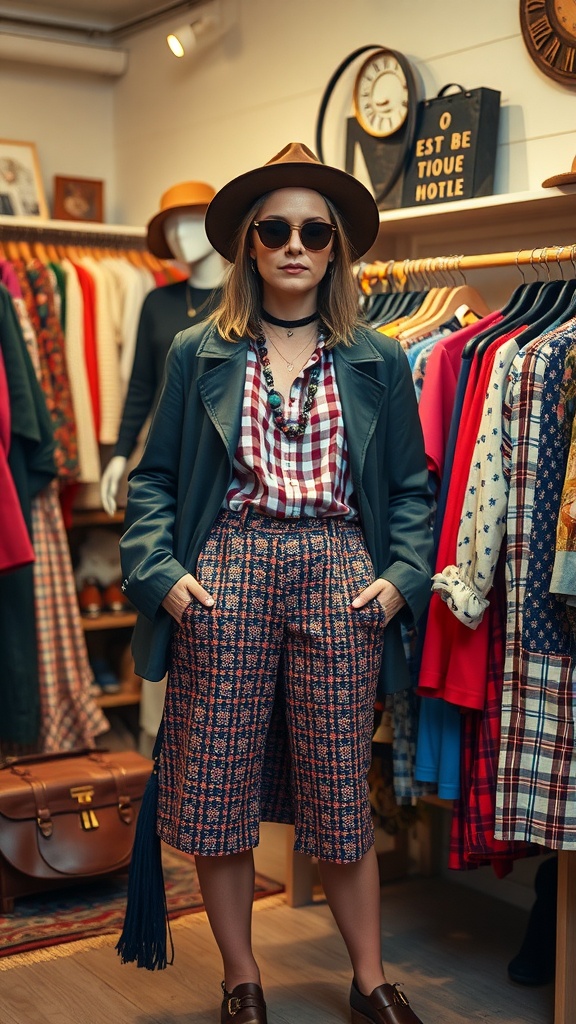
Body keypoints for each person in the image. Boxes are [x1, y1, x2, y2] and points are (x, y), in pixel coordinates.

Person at [118, 142, 433, 1024]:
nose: (295, 244)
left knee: (339, 788)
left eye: (314, 231)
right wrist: (165, 576)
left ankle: (370, 980)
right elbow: (152, 479)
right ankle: (240, 978)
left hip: (339, 572)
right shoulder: (197, 350)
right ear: (249, 247)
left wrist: (401, 577)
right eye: (275, 229)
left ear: (335, 249)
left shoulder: (377, 358)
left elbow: (412, 487)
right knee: (217, 789)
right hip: (228, 569)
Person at [100, 180, 226, 516]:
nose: (180, 236)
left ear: (214, 227)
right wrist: (120, 455)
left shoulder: (244, 301)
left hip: (226, 452)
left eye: (190, 223)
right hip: (165, 449)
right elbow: (142, 385)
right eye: (171, 229)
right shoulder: (157, 302)